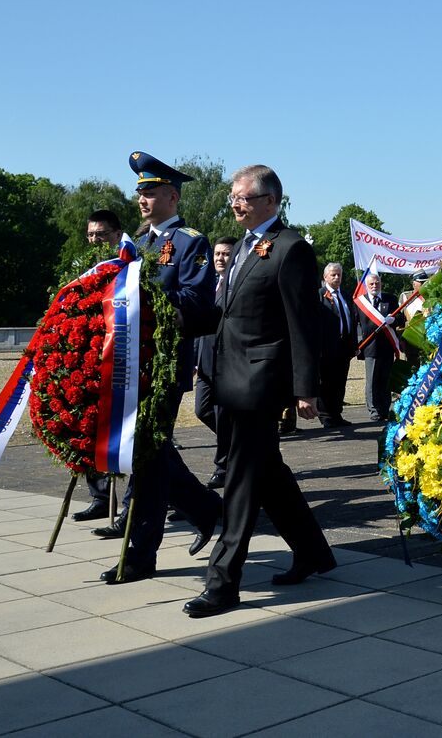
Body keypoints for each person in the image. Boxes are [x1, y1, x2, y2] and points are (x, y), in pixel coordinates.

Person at [185, 164, 335, 618]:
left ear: (270, 201)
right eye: (233, 196)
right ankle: (313, 551)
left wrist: (305, 389)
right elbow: (223, 314)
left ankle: (223, 582)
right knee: (267, 471)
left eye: (244, 197)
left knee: (241, 482)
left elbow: (302, 324)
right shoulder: (245, 248)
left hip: (259, 383)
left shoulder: (290, 250)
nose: (235, 203)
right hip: (228, 376)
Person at [99, 152, 223, 585]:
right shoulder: (137, 243)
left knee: (147, 455)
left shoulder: (191, 242)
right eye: (140, 193)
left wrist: (146, 308)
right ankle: (207, 509)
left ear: (172, 196)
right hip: (131, 364)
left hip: (164, 366)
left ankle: (139, 555)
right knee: (147, 452)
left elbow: (198, 304)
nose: (143, 200)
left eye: (150, 192)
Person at [73, 209, 126, 523]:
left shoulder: (128, 267)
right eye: (91, 234)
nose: (95, 240)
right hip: (90, 361)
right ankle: (101, 497)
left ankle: (138, 504)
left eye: (102, 234)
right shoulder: (84, 269)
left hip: (121, 361)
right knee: (87, 427)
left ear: (117, 234)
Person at [193, 237, 237, 489]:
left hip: (227, 363)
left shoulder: (236, 286)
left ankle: (223, 466)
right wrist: (195, 358)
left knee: (222, 415)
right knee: (202, 410)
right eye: (217, 254)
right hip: (205, 362)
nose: (220, 259)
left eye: (226, 254)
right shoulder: (206, 285)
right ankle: (235, 445)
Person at [317, 262, 356, 429]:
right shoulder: (319, 295)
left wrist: (354, 344)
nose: (336, 277)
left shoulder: (346, 296)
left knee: (340, 382)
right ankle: (326, 415)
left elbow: (351, 320)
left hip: (344, 347)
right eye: (333, 274)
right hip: (326, 348)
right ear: (325, 277)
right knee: (326, 382)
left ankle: (336, 413)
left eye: (339, 274)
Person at [357, 273, 398, 423]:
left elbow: (401, 318)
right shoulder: (360, 302)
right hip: (370, 347)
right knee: (372, 381)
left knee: (385, 380)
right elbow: (355, 323)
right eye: (371, 284)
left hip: (387, 346)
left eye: (377, 283)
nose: (375, 286)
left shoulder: (390, 299)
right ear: (366, 285)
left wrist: (393, 320)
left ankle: (384, 409)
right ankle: (374, 410)